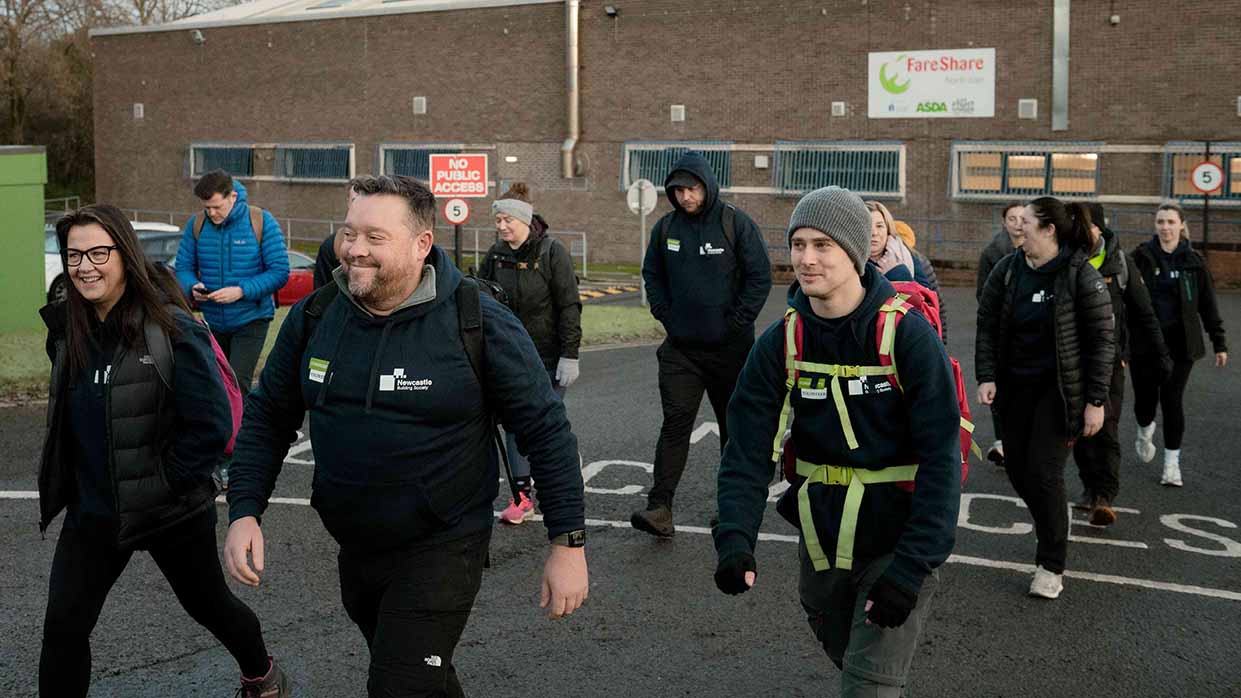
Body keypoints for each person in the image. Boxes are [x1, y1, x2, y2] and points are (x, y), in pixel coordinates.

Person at [222, 175, 588, 697]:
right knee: (421, 679)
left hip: (443, 543)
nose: (354, 251)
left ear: (422, 245)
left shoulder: (476, 320)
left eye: (375, 238)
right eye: (350, 234)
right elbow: (267, 416)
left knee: (399, 685)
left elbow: (547, 432)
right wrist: (244, 510)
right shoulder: (317, 315)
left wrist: (567, 543)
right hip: (357, 543)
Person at [713, 186, 961, 696]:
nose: (806, 258)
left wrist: (913, 569)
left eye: (823, 245)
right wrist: (735, 536)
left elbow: (941, 456)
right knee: (847, 659)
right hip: (823, 542)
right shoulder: (782, 340)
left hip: (898, 541)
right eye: (798, 244)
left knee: (867, 686)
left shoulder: (909, 337)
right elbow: (746, 446)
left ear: (853, 250)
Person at [38, 205, 290, 698]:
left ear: (124, 255)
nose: (85, 266)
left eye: (98, 252)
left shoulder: (171, 328)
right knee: (63, 630)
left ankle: (261, 673)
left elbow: (211, 425)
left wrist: (167, 481)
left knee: (210, 606)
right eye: (74, 256)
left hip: (168, 509)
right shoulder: (69, 330)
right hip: (94, 514)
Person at [976, 197, 1115, 599]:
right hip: (1014, 390)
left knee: (1043, 471)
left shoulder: (1078, 276)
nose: (1019, 229)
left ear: (1049, 229)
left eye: (1028, 224)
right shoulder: (1007, 271)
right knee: (1019, 472)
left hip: (1059, 394)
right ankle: (1054, 519)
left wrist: (1095, 400)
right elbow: (986, 325)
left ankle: (1050, 565)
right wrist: (987, 375)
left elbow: (1103, 340)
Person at [633, 151, 772, 537]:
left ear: (707, 186)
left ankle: (733, 512)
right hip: (682, 351)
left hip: (731, 351)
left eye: (691, 189)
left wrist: (735, 323)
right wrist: (665, 314)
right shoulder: (666, 229)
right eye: (677, 191)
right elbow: (652, 273)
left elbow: (759, 278)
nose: (684, 197)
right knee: (676, 423)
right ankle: (659, 508)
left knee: (733, 429)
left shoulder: (735, 224)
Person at [479, 182, 583, 525]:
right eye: (498, 221)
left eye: (508, 219)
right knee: (514, 426)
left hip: (550, 356)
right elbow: (480, 299)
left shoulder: (552, 253)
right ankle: (523, 498)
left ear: (525, 220)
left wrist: (571, 354)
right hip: (511, 357)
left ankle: (561, 487)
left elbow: (569, 305)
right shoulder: (496, 256)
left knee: (544, 427)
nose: (502, 226)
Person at [1070, 203, 1171, 525]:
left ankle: (1105, 495)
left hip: (1111, 361)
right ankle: (1088, 488)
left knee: (1106, 426)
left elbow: (1144, 314)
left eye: (1086, 226)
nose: (1081, 233)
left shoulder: (1120, 263)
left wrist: (1160, 355)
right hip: (1073, 360)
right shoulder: (1068, 261)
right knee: (1079, 427)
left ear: (1099, 228)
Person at [1130, 203, 1228, 486]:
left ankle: (1172, 465)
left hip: (1181, 346)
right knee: (1145, 402)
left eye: (1171, 222)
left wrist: (1219, 342)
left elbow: (1208, 306)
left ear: (1181, 225)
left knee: (1172, 400)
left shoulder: (1194, 262)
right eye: (1160, 221)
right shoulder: (1140, 257)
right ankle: (1144, 429)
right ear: (1155, 225)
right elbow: (1126, 301)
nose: (1165, 227)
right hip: (1146, 344)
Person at [174, 169, 290, 395]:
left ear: (233, 197)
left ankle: (243, 430)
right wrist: (191, 286)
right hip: (213, 320)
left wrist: (241, 291)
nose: (212, 213)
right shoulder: (197, 224)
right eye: (207, 208)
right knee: (216, 383)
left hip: (252, 318)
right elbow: (183, 268)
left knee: (237, 383)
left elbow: (279, 272)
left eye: (217, 207)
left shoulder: (261, 221)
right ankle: (223, 429)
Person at [976, 202, 1026, 467]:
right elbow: (982, 294)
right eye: (1012, 218)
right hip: (1001, 329)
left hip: (1029, 330)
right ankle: (1001, 441)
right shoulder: (992, 254)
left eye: (1022, 218)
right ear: (1004, 222)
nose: (1018, 223)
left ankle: (1018, 440)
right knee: (998, 382)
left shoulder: (1039, 252)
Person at [866, 200, 947, 345]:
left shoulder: (914, 260)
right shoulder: (849, 264)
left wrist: (897, 273)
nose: (874, 233)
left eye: (879, 226)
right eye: (867, 226)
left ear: (888, 229)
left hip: (910, 342)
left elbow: (931, 306)